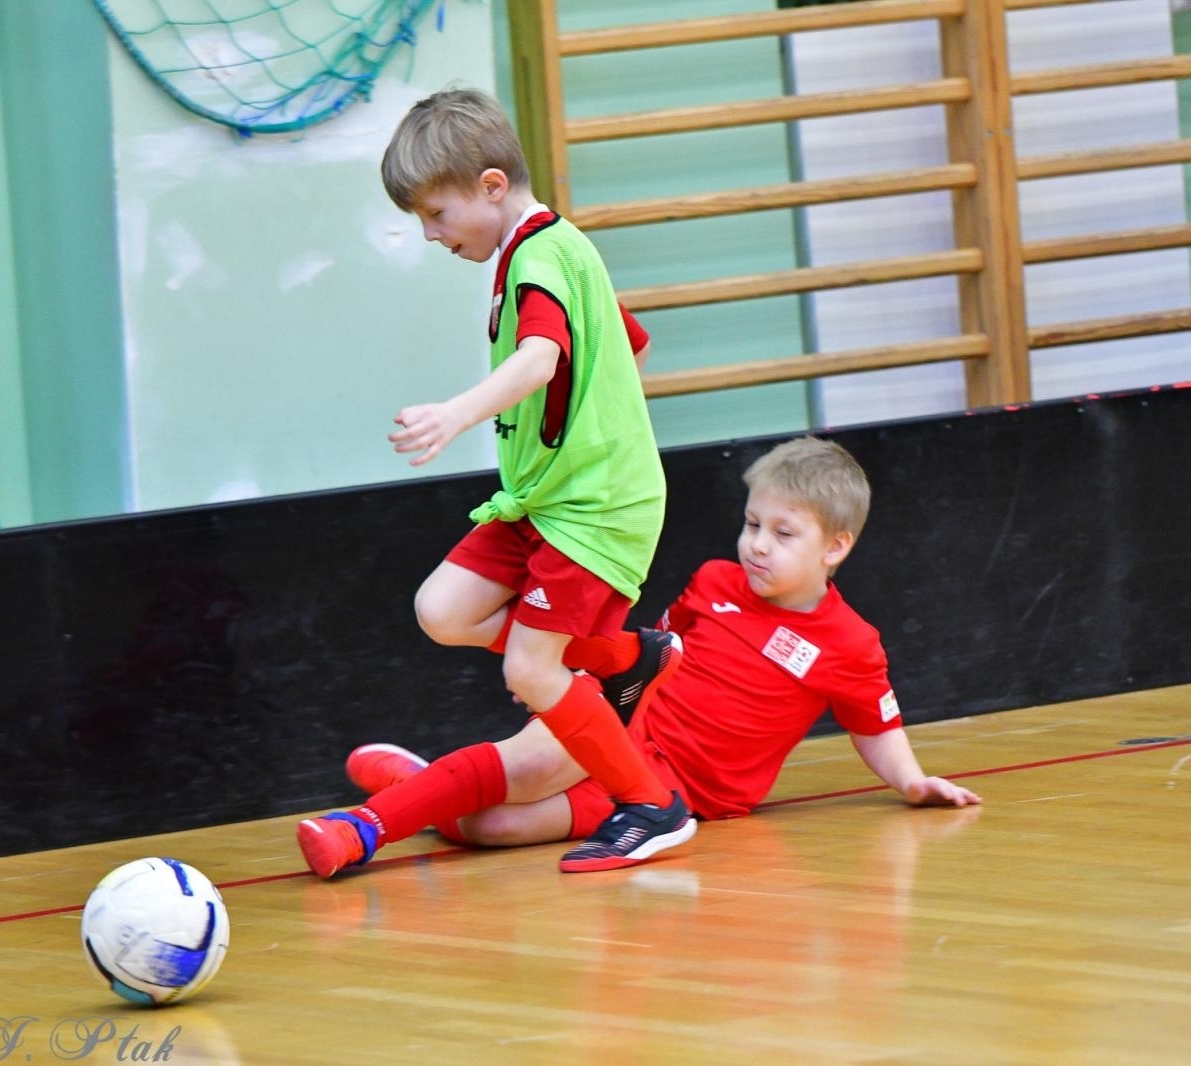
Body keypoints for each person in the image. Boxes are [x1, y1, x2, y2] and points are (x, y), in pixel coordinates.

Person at [297, 87, 692, 878]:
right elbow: (628, 344)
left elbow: (543, 358)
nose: (430, 234)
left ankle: (652, 807)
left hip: (592, 511)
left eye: (436, 215)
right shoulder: (554, 249)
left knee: (532, 671)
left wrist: (455, 415)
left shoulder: (541, 257)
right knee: (442, 610)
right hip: (546, 499)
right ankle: (621, 658)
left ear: (490, 186)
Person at [300, 436, 981, 880]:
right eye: (751, 525)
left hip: (682, 792)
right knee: (533, 762)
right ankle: (363, 830)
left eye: (783, 534)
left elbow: (875, 725)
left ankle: (418, 784)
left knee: (491, 828)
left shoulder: (852, 644)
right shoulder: (715, 582)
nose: (758, 546)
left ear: (835, 547)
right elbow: (648, 657)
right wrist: (562, 679)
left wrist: (914, 783)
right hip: (624, 727)